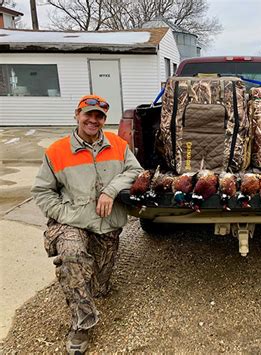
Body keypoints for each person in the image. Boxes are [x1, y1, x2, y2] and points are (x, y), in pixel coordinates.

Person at [31, 94, 143, 354]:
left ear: (104, 119)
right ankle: (81, 325)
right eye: (88, 114)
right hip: (72, 222)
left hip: (105, 225)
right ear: (77, 115)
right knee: (73, 257)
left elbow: (136, 172)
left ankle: (88, 284)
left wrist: (110, 191)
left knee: (99, 288)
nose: (93, 120)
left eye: (99, 116)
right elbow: (41, 191)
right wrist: (64, 214)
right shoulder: (57, 151)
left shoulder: (116, 144)